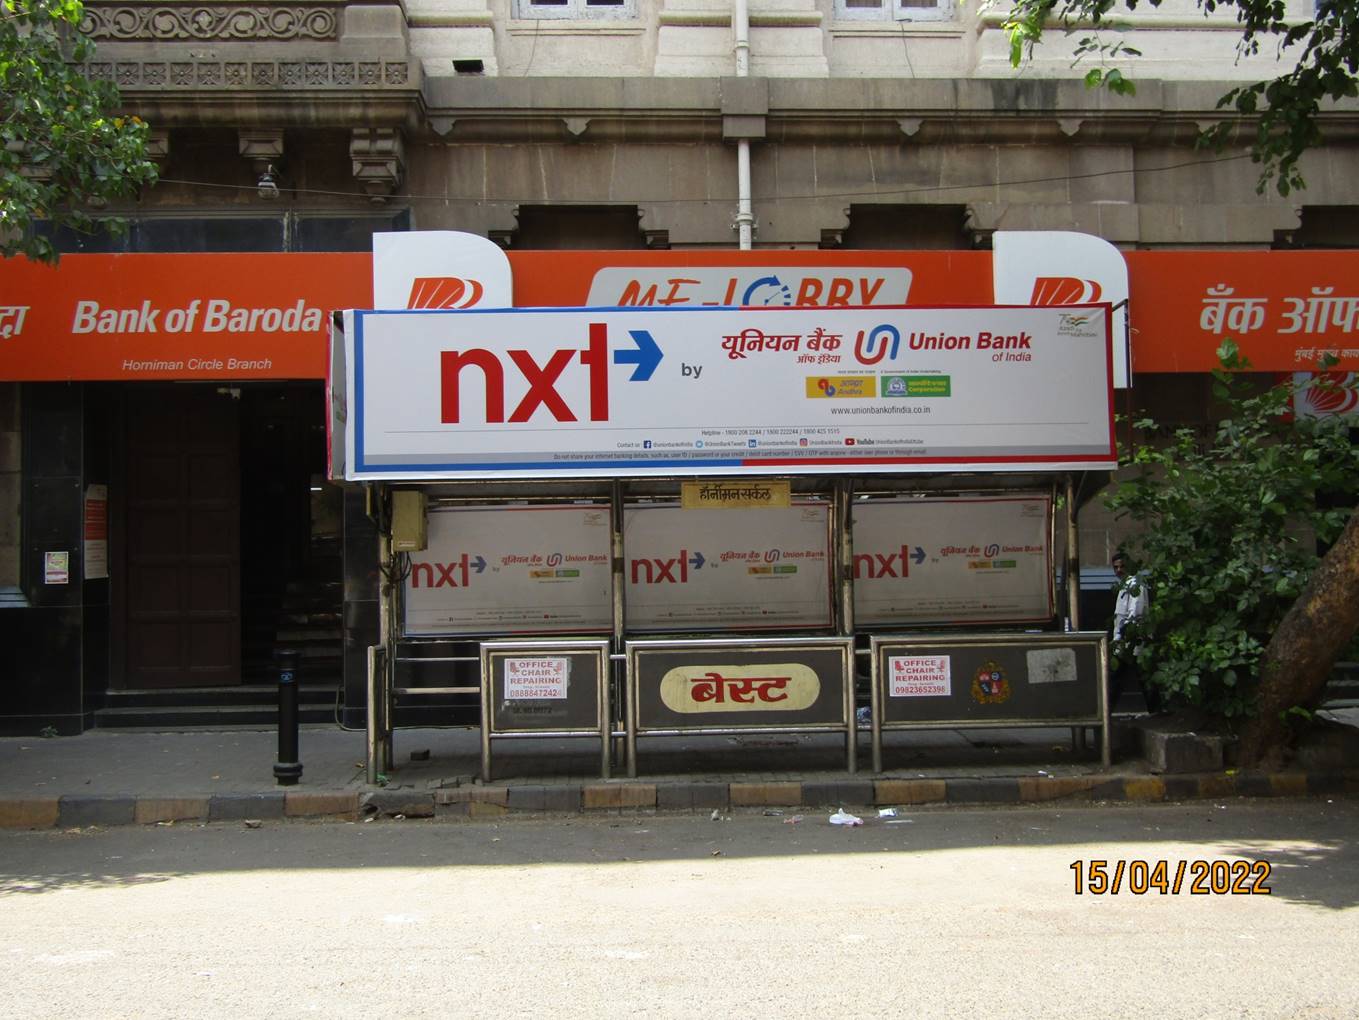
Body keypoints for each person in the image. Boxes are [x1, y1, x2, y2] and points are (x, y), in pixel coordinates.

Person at [1110, 551, 1150, 710]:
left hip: (1131, 640)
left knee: (1120, 678)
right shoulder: (1125, 585)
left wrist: (1123, 635)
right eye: (1115, 567)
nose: (1119, 570)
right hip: (1125, 641)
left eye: (1122, 566)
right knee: (1127, 678)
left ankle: (1107, 711)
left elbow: (1135, 612)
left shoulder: (1135, 584)